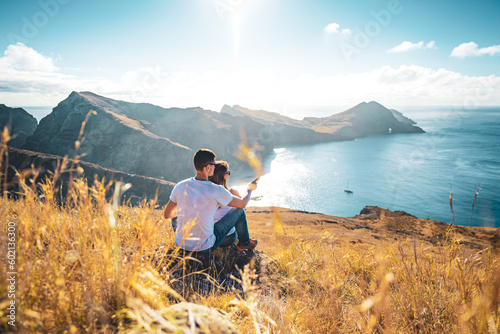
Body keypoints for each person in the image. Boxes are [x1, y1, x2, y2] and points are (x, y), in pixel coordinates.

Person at [163, 149, 258, 253]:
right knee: (239, 211)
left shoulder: (180, 186)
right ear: (208, 167)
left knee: (175, 218)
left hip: (181, 244)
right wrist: (249, 189)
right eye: (214, 164)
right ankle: (245, 243)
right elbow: (242, 203)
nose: (215, 166)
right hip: (205, 246)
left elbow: (167, 215)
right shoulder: (216, 189)